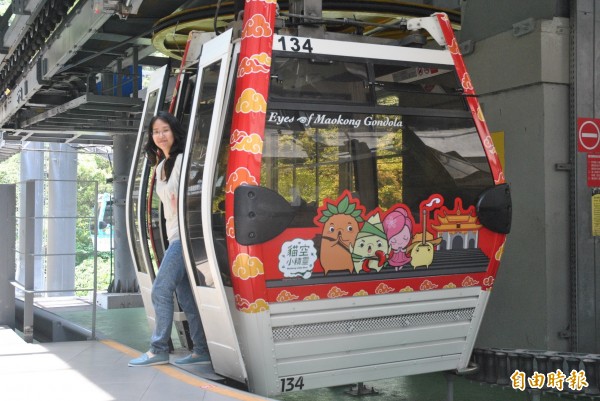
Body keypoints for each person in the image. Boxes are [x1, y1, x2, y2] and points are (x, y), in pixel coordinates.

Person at [129, 111, 210, 367]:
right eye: (155, 132)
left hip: (184, 237)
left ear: (174, 132)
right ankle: (201, 349)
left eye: (165, 130)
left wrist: (183, 200)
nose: (160, 135)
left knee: (161, 289)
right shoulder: (162, 166)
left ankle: (158, 349)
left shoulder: (184, 160)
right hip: (174, 233)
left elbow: (197, 192)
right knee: (186, 297)